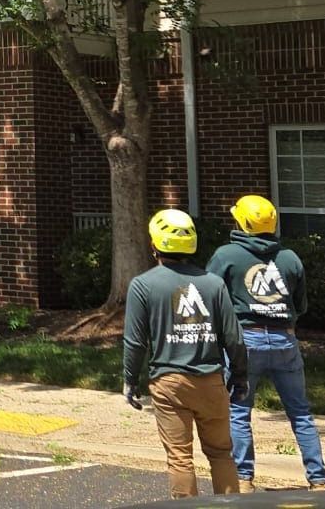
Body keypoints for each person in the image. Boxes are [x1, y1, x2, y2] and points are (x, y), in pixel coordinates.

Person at [123, 208, 248, 499]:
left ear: (154, 243)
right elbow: (233, 337)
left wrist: (130, 379)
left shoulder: (142, 285)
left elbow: (135, 341)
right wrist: (240, 377)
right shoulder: (213, 283)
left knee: (180, 457)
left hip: (169, 383)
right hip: (212, 381)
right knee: (221, 453)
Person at [207, 194, 325, 492]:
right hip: (285, 339)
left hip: (244, 341)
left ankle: (244, 478)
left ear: (242, 222)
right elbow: (301, 305)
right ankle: (318, 479)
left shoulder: (226, 255)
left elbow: (210, 295)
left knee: (238, 410)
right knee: (300, 412)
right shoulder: (289, 257)